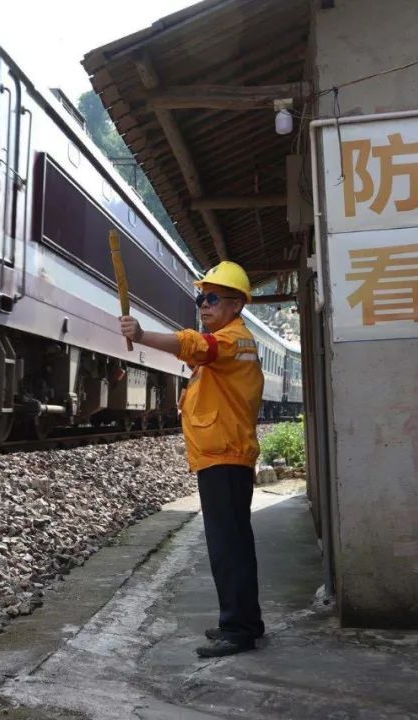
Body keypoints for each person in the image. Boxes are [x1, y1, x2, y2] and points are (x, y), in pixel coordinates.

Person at [119, 260, 265, 658]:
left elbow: (196, 345)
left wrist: (143, 334)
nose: (205, 304)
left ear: (237, 305)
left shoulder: (232, 341)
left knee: (226, 546)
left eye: (214, 298)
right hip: (223, 456)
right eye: (202, 297)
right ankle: (242, 622)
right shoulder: (231, 345)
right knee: (234, 542)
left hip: (224, 457)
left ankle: (239, 629)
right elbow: (198, 354)